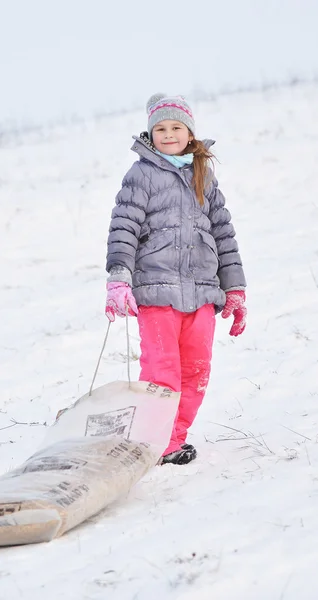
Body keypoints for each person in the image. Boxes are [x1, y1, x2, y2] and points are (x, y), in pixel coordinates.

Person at [105, 94, 247, 465]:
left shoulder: (204, 176)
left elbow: (224, 234)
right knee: (161, 370)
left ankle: (173, 439)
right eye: (161, 128)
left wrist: (234, 288)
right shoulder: (141, 174)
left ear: (189, 133)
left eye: (176, 127)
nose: (168, 134)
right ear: (151, 133)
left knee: (195, 371)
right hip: (156, 290)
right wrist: (119, 277)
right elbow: (123, 227)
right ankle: (155, 441)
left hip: (201, 292)